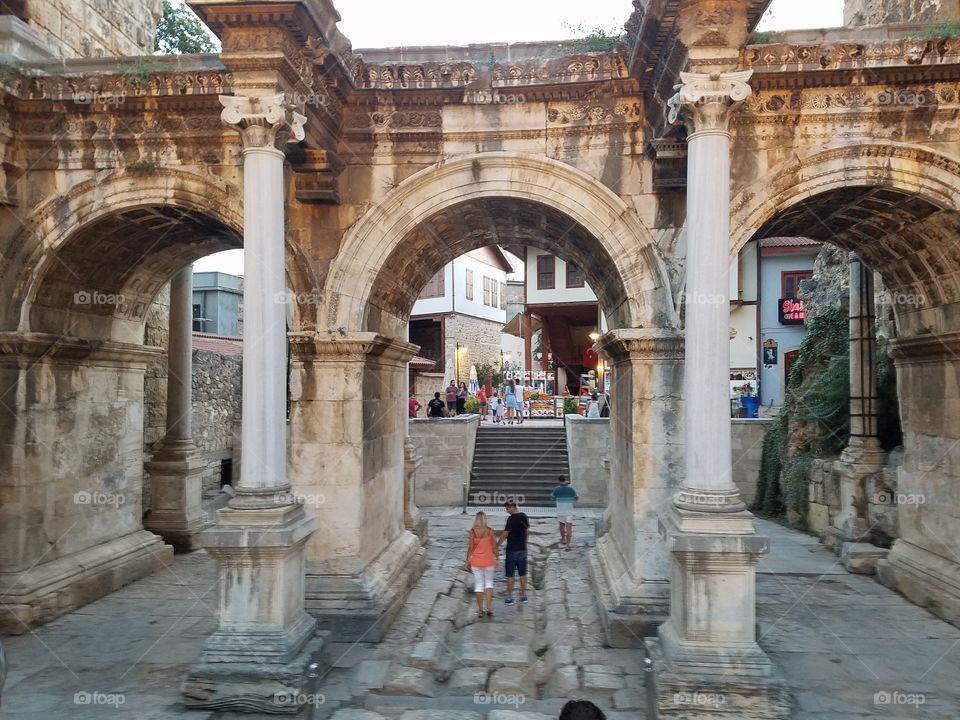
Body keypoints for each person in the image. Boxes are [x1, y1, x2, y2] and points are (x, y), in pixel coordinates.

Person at [464, 511, 497, 618]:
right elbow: (494, 546)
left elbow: (470, 548)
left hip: (476, 562)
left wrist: (467, 561)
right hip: (488, 561)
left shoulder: (472, 532)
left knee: (479, 585)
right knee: (489, 583)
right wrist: (497, 558)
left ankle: (480, 610)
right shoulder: (490, 531)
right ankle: (489, 607)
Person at [498, 500, 529, 605]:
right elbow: (526, 531)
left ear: (513, 507)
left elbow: (505, 533)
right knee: (522, 573)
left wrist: (497, 545)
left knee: (510, 574)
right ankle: (524, 595)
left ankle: (510, 597)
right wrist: (525, 543)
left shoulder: (510, 519)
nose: (507, 511)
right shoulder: (524, 516)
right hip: (522, 549)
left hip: (511, 550)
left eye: (508, 508)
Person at [550, 475, 579, 551]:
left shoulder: (556, 489)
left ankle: (563, 539)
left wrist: (557, 498)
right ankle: (568, 546)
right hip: (569, 511)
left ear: (559, 481)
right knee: (569, 528)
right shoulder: (570, 489)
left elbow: (552, 497)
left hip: (560, 511)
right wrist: (571, 499)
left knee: (562, 526)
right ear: (565, 480)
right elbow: (576, 497)